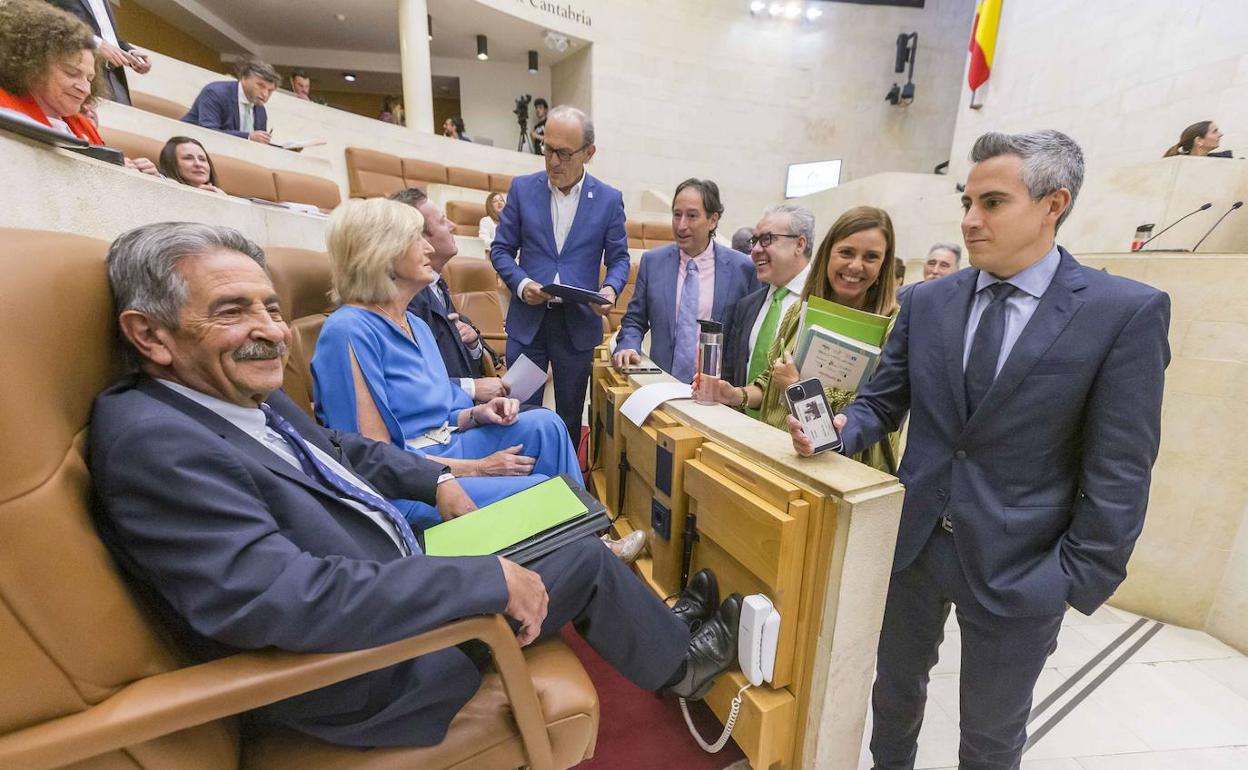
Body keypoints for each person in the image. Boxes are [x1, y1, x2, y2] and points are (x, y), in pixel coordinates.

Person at [91, 220, 742, 750]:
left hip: (391, 574)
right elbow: (280, 597)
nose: (269, 331)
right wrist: (481, 577)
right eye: (234, 311)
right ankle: (683, 669)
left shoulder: (231, 396)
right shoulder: (154, 441)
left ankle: (662, 626)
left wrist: (435, 481)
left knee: (561, 514)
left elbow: (342, 450)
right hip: (371, 664)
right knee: (581, 560)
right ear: (149, 334)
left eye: (270, 307)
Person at [790, 130, 1170, 770]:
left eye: (992, 202)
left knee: (991, 738)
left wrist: (1072, 581)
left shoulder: (1120, 313)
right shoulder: (928, 301)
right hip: (913, 548)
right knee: (894, 703)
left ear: (1054, 204)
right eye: (967, 202)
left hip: (1023, 565)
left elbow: (1122, 469)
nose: (970, 221)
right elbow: (884, 402)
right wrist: (834, 431)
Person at [311, 198, 584, 531]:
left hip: (447, 445)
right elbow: (373, 457)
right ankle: (577, 544)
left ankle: (584, 538)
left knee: (546, 424)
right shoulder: (347, 332)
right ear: (382, 252)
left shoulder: (417, 324)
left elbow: (435, 413)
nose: (428, 248)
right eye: (416, 238)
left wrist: (475, 414)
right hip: (411, 484)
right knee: (542, 491)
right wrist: (478, 468)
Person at [718, 206, 900, 472]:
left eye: (871, 257)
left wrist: (796, 386)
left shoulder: (894, 327)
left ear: (884, 264)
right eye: (846, 252)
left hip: (846, 470)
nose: (855, 266)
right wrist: (736, 395)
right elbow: (771, 380)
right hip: (783, 459)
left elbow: (874, 411)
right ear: (828, 254)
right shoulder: (799, 310)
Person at [490, 105, 631, 442]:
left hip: (577, 327)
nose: (554, 162)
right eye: (548, 150)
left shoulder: (609, 200)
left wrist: (610, 290)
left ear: (589, 153)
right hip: (528, 326)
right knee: (520, 414)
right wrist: (522, 284)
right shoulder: (523, 190)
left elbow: (620, 259)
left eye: (564, 153)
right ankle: (519, 484)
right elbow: (501, 250)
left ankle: (560, 483)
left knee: (569, 418)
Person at [612, 178, 756, 381]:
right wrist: (628, 344)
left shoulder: (743, 269)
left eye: (692, 216)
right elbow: (635, 319)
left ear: (713, 220)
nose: (681, 225)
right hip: (663, 386)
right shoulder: (653, 263)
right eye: (677, 215)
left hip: (718, 393)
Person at [391, 187, 501, 394]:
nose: (453, 225)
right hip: (446, 415)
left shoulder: (438, 285)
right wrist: (473, 390)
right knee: (543, 421)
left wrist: (473, 344)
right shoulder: (407, 300)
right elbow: (413, 386)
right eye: (442, 221)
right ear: (420, 238)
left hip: (462, 408)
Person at [720, 204, 814, 394]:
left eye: (766, 239)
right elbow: (731, 377)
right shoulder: (746, 306)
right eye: (754, 241)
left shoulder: (824, 304)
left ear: (799, 244)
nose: (754, 250)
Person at [0, 0, 104, 144]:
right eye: (71, 73)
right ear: (33, 65)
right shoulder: (5, 107)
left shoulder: (84, 126)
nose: (85, 89)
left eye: (89, 79)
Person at [45, 0, 151, 106]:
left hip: (114, 73)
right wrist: (97, 44)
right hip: (83, 72)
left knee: (125, 118)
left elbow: (110, 38)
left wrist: (131, 52)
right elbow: (53, 20)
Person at [182, 60, 277, 143]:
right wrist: (248, 137)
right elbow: (208, 131)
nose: (265, 94)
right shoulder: (215, 93)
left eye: (270, 90)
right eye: (260, 86)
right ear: (244, 78)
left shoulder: (260, 109)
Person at [897, 242, 962, 303]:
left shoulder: (964, 300)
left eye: (943, 265)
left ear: (956, 271)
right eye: (931, 263)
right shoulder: (902, 295)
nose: (935, 271)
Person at [157, 136, 224, 194]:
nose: (198, 164)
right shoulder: (161, 183)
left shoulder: (220, 194)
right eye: (188, 158)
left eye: (202, 159)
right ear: (170, 163)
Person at [1163, 120, 1231, 158]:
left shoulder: (1223, 160)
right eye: (1214, 131)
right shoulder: (1177, 166)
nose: (1220, 134)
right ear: (1199, 140)